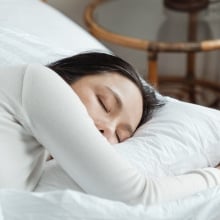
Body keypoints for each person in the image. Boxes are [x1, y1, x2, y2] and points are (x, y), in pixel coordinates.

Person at [0, 52, 220, 206]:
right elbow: (138, 196)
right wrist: (215, 176)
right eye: (104, 103)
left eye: (120, 135)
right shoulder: (37, 81)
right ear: (66, 75)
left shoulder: (33, 154)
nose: (107, 129)